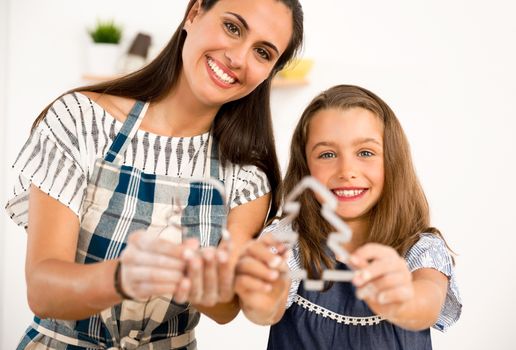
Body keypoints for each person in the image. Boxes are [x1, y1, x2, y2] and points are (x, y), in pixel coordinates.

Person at [5, 0, 303, 348]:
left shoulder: (247, 175)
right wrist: (124, 276)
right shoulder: (80, 122)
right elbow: (43, 289)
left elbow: (225, 310)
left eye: (263, 53)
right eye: (232, 27)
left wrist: (198, 277)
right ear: (194, 14)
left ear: (270, 72)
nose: (238, 58)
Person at [235, 84, 462, 349]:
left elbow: (427, 306)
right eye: (327, 154)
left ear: (392, 160)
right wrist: (263, 294)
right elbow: (264, 312)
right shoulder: (287, 242)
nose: (346, 170)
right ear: (305, 168)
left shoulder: (421, 250)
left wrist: (403, 298)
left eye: (365, 153)